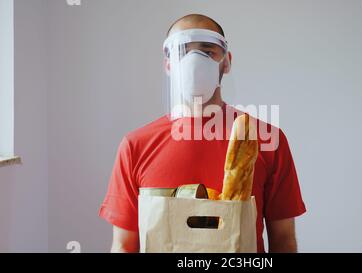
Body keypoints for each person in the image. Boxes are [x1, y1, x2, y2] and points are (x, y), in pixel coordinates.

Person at [99, 14, 306, 253]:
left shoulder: (266, 140)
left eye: (208, 52)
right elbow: (124, 247)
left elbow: (284, 242)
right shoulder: (136, 146)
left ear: (226, 62)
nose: (194, 61)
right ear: (168, 64)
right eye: (182, 52)